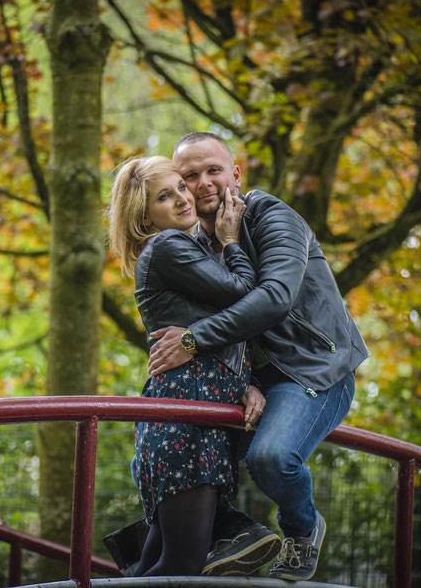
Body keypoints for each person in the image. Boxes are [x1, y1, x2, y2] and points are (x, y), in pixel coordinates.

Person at [147, 132, 370, 581]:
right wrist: (244, 380)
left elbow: (273, 299)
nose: (203, 182)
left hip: (315, 368)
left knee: (269, 457)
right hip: (254, 380)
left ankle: (302, 529)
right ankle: (208, 540)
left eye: (213, 170)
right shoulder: (195, 246)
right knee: (174, 455)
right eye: (190, 176)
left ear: (235, 173)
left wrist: (192, 340)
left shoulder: (273, 216)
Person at [107, 155, 273, 576]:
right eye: (166, 196)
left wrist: (249, 382)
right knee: (184, 563)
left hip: (193, 416)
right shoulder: (167, 246)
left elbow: (223, 329)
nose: (184, 198)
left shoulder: (183, 247)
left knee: (158, 561)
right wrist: (232, 240)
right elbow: (244, 294)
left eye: (181, 186)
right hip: (185, 416)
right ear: (144, 217)